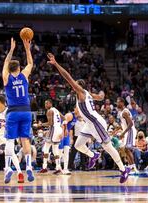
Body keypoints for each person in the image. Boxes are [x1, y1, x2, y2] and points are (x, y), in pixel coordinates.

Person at [47, 53, 130, 184]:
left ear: (78, 86)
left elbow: (68, 77)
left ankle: (123, 169)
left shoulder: (80, 92)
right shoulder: (87, 94)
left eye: (74, 85)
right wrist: (102, 95)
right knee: (78, 145)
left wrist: (56, 64)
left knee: (108, 147)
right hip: (89, 123)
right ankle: (93, 155)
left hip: (96, 122)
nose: (72, 86)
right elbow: (100, 97)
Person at [2, 37, 34, 183]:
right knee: (25, 140)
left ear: (9, 69)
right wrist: (27, 48)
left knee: (10, 140)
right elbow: (31, 63)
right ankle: (28, 166)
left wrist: (11, 50)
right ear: (19, 68)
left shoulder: (6, 78)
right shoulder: (24, 75)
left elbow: (5, 63)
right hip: (26, 111)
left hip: (13, 112)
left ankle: (8, 168)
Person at [37, 99, 64, 175]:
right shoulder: (56, 110)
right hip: (58, 129)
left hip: (54, 129)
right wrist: (63, 128)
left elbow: (50, 123)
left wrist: (41, 124)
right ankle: (58, 168)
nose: (45, 105)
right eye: (45, 103)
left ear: (51, 104)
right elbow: (64, 118)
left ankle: (44, 167)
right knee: (55, 150)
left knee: (46, 148)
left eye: (47, 103)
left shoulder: (49, 111)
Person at [117, 97, 138, 172]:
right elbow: (124, 124)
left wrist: (123, 133)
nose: (117, 103)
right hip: (127, 131)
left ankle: (133, 168)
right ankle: (130, 167)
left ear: (122, 103)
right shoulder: (121, 112)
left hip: (130, 131)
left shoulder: (125, 112)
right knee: (126, 150)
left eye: (118, 102)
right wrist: (117, 130)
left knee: (127, 149)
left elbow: (131, 124)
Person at [59, 108, 78, 175]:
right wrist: (63, 133)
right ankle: (58, 167)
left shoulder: (77, 117)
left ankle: (65, 168)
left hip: (66, 134)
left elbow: (70, 128)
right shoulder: (70, 115)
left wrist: (71, 138)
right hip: (61, 132)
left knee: (67, 151)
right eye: (78, 108)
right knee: (60, 152)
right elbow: (63, 123)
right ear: (75, 109)